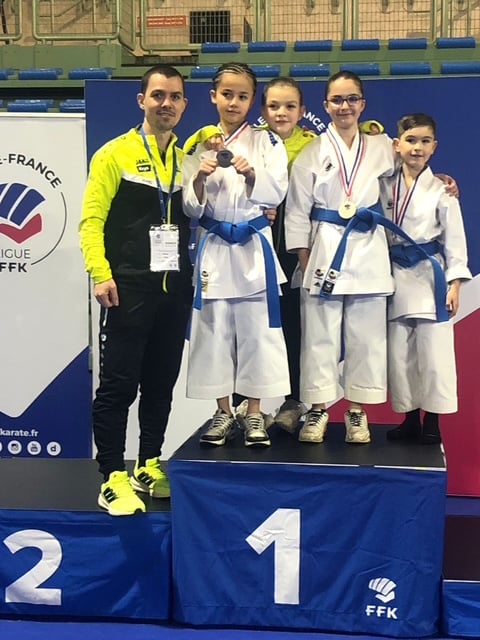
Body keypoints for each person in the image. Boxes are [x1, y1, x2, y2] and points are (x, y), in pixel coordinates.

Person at [79, 64, 192, 516]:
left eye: (175, 96)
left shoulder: (185, 160)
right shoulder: (114, 154)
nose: (167, 103)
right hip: (127, 288)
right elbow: (91, 220)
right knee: (118, 386)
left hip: (173, 290)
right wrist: (100, 273)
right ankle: (111, 475)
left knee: (160, 385)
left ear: (184, 104)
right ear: (142, 100)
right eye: (158, 95)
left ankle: (148, 463)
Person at [182, 62, 290, 448]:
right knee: (215, 333)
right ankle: (223, 412)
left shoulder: (268, 142)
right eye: (227, 94)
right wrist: (199, 178)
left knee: (257, 333)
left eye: (242, 96)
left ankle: (255, 411)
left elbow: (278, 193)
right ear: (213, 96)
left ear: (252, 101)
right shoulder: (198, 144)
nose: (233, 102)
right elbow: (190, 208)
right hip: (214, 247)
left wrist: (252, 175)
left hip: (252, 247)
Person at [285, 70, 396, 445]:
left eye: (351, 99)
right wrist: (304, 258)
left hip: (367, 247)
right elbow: (297, 212)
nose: (344, 106)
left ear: (362, 104)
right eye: (337, 100)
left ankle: (357, 411)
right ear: (326, 105)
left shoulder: (383, 147)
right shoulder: (311, 153)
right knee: (319, 336)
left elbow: (410, 175)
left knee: (367, 336)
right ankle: (318, 409)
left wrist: (443, 182)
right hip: (325, 247)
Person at [380, 113, 471, 444]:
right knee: (400, 355)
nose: (417, 147)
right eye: (411, 140)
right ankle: (409, 419)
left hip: (430, 276)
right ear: (397, 144)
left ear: (434, 146)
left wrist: (455, 284)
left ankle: (432, 421)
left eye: (424, 141)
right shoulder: (382, 184)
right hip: (393, 276)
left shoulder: (442, 190)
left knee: (434, 354)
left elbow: (455, 241)